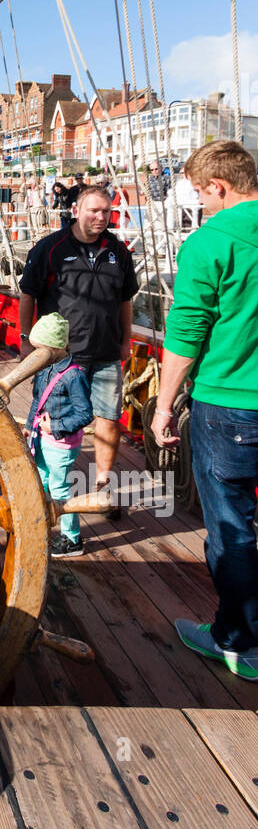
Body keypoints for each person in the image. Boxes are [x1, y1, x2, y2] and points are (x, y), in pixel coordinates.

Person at [151, 141, 258, 681]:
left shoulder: (210, 243)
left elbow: (188, 330)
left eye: (199, 191)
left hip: (232, 405)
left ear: (218, 185)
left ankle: (238, 642)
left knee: (232, 527)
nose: (200, 201)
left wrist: (164, 405)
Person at [19, 184, 138, 513]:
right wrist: (25, 340)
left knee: (108, 419)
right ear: (76, 211)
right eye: (94, 210)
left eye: (106, 211)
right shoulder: (50, 249)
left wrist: (126, 341)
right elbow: (28, 293)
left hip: (105, 353)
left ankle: (102, 489)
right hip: (61, 358)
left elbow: (125, 300)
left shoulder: (119, 252)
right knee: (52, 421)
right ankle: (48, 491)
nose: (101, 217)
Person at [25, 313, 93, 558]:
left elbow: (85, 414)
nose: (36, 356)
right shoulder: (45, 369)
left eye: (40, 350)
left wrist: (56, 426)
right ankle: (43, 526)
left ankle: (72, 540)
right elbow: (38, 400)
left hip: (62, 443)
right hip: (42, 439)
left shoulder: (74, 376)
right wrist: (31, 426)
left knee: (60, 489)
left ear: (55, 348)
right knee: (41, 481)